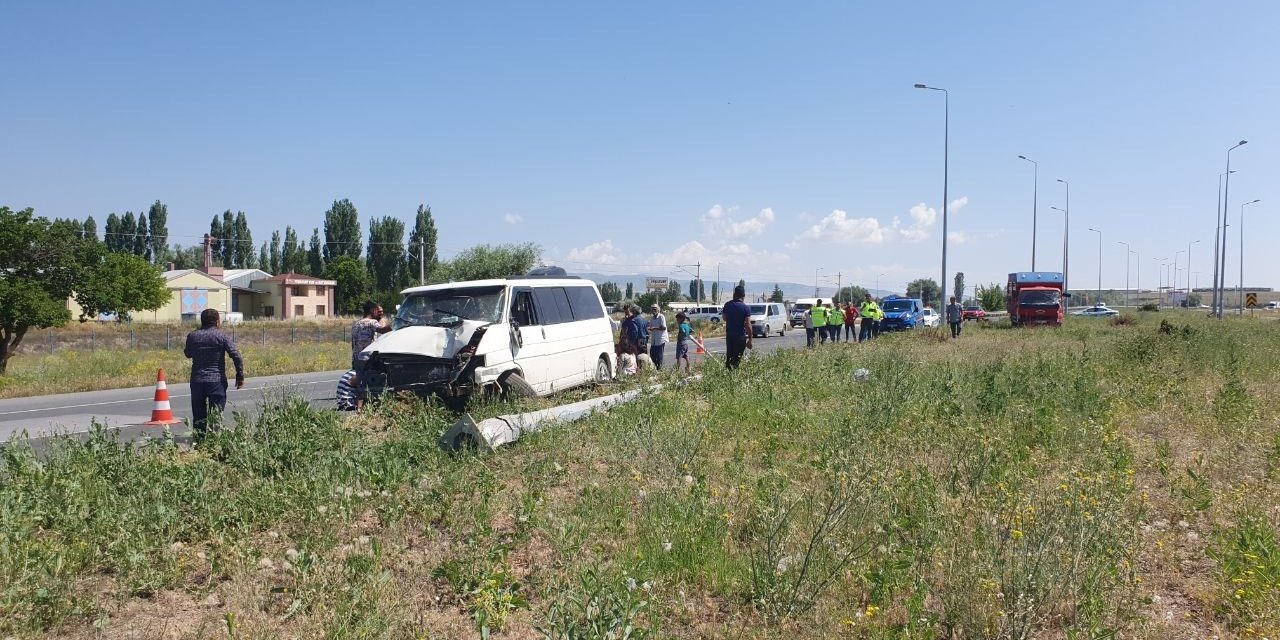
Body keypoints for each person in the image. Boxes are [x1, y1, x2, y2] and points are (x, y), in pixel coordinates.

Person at [184, 308, 244, 440]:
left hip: (197, 381)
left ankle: (199, 444)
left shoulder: (192, 336)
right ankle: (213, 443)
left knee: (199, 417)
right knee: (216, 416)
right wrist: (240, 375)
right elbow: (236, 355)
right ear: (217, 322)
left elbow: (188, 354)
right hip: (216, 381)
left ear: (202, 321)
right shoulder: (221, 336)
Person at [351, 301, 392, 370]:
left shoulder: (356, 324)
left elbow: (353, 344)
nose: (377, 313)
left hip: (356, 358)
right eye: (376, 310)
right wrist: (397, 324)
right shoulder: (372, 322)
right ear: (372, 310)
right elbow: (383, 330)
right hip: (368, 358)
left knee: (360, 378)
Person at [721, 285, 753, 369]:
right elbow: (748, 324)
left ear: (734, 294)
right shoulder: (745, 308)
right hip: (740, 337)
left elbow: (724, 318)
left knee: (729, 357)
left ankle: (728, 376)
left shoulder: (727, 305)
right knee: (736, 359)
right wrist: (750, 339)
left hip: (730, 336)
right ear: (743, 295)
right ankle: (734, 377)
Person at [647, 304, 668, 370]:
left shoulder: (661, 317)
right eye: (652, 309)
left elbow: (664, 327)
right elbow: (650, 326)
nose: (653, 310)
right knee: (652, 355)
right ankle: (656, 368)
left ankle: (659, 369)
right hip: (654, 339)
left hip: (660, 339)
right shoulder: (652, 318)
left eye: (655, 309)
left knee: (659, 356)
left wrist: (655, 328)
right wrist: (650, 328)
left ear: (658, 310)